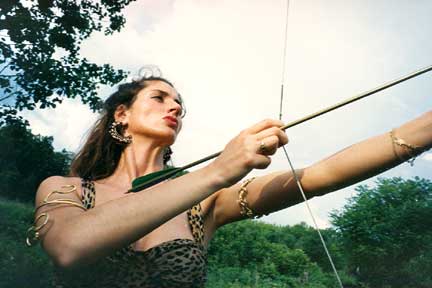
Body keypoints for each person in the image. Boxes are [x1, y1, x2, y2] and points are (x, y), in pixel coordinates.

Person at [27, 72, 432, 288]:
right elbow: (71, 247)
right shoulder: (66, 189)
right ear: (121, 114)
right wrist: (220, 169)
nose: (175, 109)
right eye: (159, 97)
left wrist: (423, 130)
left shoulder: (207, 202)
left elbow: (320, 175)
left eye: (180, 106)